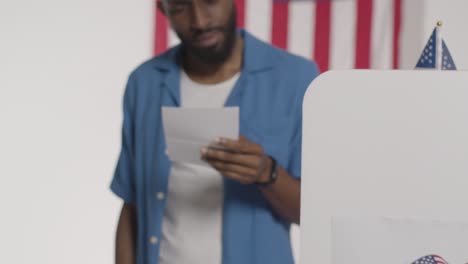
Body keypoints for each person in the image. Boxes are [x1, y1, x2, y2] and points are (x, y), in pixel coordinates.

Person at [110, 0, 319, 263]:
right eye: (179, 7)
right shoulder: (144, 82)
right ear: (162, 10)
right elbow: (132, 205)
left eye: (210, 1)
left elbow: (315, 215)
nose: (200, 21)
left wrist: (268, 173)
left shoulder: (295, 78)